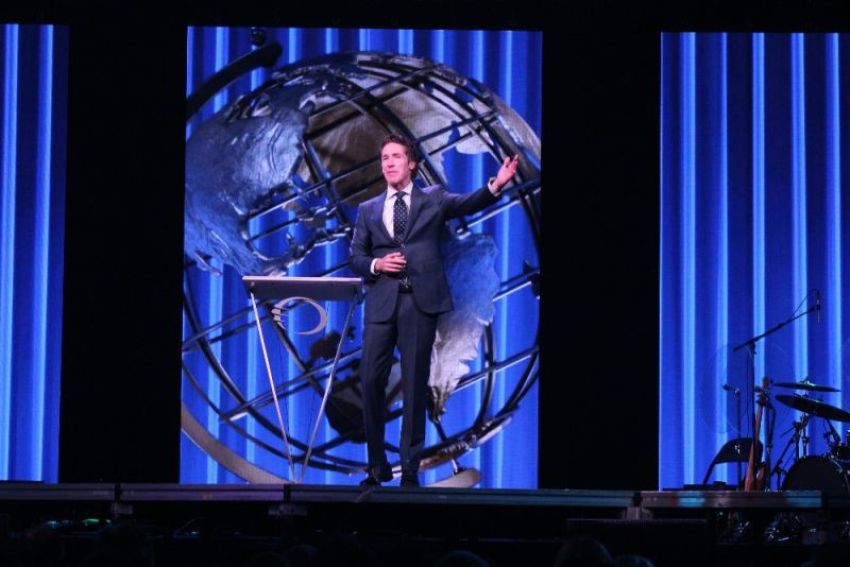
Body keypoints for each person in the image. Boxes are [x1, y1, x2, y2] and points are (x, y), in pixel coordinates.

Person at [349, 132, 518, 487]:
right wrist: (378, 266)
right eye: (385, 158)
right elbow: (357, 258)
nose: (390, 163)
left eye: (396, 156)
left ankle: (409, 468)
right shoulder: (368, 210)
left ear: (412, 163)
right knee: (370, 380)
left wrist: (496, 185)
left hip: (419, 302)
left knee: (414, 384)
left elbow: (468, 204)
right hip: (382, 306)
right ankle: (376, 466)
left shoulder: (433, 198)